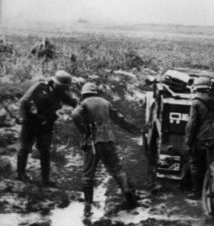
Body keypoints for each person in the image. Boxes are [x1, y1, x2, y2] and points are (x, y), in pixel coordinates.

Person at [71, 82, 138, 216]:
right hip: (108, 140)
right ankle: (128, 196)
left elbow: (74, 115)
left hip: (93, 143)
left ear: (84, 93)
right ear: (96, 92)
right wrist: (133, 130)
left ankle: (88, 206)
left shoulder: (84, 103)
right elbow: (119, 119)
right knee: (117, 169)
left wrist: (84, 130)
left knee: (88, 174)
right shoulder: (105, 102)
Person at [16, 70, 78, 186]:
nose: (64, 89)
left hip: (46, 125)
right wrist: (21, 117)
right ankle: (20, 174)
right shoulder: (39, 87)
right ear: (55, 83)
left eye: (65, 87)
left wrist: (85, 103)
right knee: (24, 149)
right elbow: (23, 102)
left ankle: (45, 179)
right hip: (31, 122)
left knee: (45, 151)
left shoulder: (60, 92)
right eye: (62, 86)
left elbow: (73, 102)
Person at [184, 77, 214, 200]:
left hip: (202, 136)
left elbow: (192, 124)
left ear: (197, 88)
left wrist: (188, 141)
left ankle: (196, 192)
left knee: (195, 163)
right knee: (213, 164)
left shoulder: (196, 102)